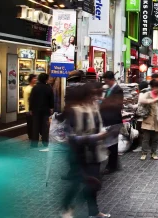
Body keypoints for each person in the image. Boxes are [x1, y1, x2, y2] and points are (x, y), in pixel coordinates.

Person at [61, 83, 111, 218]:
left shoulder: (93, 107)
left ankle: (93, 212)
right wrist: (95, 137)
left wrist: (103, 133)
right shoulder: (73, 110)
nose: (94, 97)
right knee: (76, 183)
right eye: (91, 94)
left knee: (93, 183)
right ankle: (66, 208)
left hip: (94, 152)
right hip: (78, 153)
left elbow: (98, 125)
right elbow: (71, 137)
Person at [100, 71, 123, 175]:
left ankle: (112, 166)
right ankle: (114, 164)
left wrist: (103, 101)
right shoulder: (109, 89)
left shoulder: (118, 90)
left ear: (111, 79)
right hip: (107, 119)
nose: (105, 82)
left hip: (114, 120)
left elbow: (116, 104)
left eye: (106, 80)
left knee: (112, 144)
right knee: (111, 143)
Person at [139, 79, 158, 160]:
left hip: (157, 120)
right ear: (152, 87)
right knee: (146, 138)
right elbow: (141, 100)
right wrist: (152, 100)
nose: (157, 89)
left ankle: (154, 152)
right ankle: (144, 153)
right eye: (156, 88)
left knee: (155, 139)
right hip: (148, 119)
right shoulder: (147, 94)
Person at [29, 73, 54, 149]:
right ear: (46, 79)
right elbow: (51, 99)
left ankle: (34, 144)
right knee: (45, 127)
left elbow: (31, 99)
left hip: (36, 110)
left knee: (35, 127)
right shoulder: (48, 88)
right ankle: (45, 142)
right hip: (45, 110)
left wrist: (30, 109)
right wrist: (51, 108)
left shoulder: (35, 88)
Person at [23, 74, 37, 140]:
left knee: (33, 124)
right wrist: (28, 110)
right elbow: (27, 100)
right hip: (29, 110)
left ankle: (33, 135)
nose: (35, 80)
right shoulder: (28, 89)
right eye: (34, 78)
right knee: (30, 124)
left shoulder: (34, 87)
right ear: (30, 79)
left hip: (33, 109)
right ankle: (30, 136)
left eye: (36, 78)